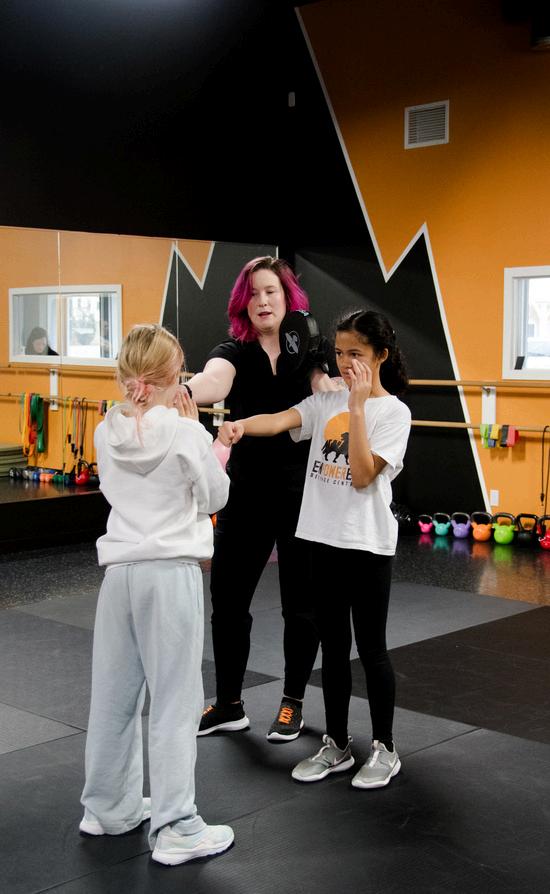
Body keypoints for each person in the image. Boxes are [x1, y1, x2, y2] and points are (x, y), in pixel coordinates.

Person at [217, 310, 411, 789]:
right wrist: (240, 426)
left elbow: (362, 474)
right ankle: (338, 744)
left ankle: (384, 748)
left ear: (381, 356)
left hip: (366, 544)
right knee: (335, 649)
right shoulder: (326, 402)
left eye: (356, 354)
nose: (345, 363)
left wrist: (358, 407)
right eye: (340, 353)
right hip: (321, 541)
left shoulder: (394, 413)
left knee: (371, 649)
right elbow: (281, 420)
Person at [79, 323, 234, 866]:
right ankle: (177, 827)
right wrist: (204, 438)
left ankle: (108, 808)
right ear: (174, 376)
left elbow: (114, 488)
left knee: (113, 697)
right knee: (175, 702)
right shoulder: (187, 433)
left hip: (119, 576)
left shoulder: (106, 431)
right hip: (168, 575)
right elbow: (215, 497)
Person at [185, 256, 334, 742]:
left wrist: (334, 384)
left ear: (288, 298)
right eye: (253, 293)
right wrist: (184, 391)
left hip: (301, 494)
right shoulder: (234, 349)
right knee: (228, 601)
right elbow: (214, 380)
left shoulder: (308, 350)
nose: (262, 300)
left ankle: (292, 702)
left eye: (271, 291)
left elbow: (323, 387)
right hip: (245, 493)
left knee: (301, 605)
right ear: (242, 304)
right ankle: (229, 703)